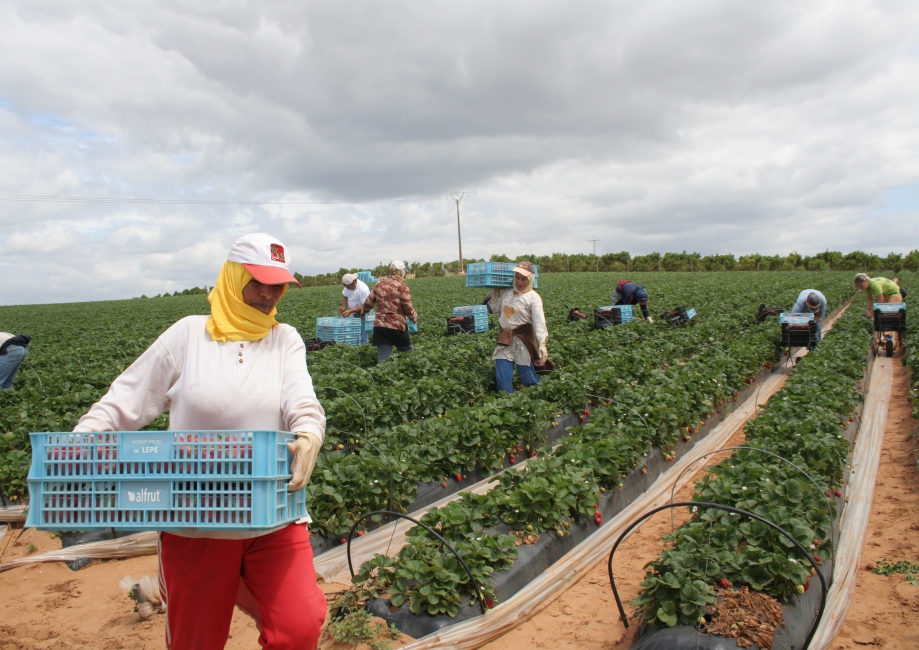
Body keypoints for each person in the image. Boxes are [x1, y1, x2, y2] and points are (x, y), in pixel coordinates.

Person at [72, 233, 327, 650]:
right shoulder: (189, 335)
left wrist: (310, 432)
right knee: (196, 640)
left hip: (272, 514)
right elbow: (124, 400)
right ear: (232, 277)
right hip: (196, 519)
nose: (267, 295)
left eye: (277, 285)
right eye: (256, 282)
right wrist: (79, 443)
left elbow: (302, 399)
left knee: (299, 627)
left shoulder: (285, 339)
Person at [487, 261, 548, 393]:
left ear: (531, 279)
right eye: (518, 278)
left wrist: (542, 343)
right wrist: (496, 292)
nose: (520, 282)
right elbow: (494, 308)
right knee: (503, 377)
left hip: (523, 341)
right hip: (505, 339)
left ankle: (536, 397)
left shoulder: (533, 298)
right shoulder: (507, 293)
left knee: (527, 378)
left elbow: (539, 322)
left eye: (524, 279)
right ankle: (507, 399)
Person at [350, 260, 417, 363]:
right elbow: (408, 308)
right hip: (397, 326)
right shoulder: (402, 286)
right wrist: (414, 317)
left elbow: (368, 303)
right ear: (401, 272)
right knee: (408, 356)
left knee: (383, 360)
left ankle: (382, 373)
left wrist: (363, 314)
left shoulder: (379, 284)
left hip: (380, 326)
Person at [339, 273, 371, 345]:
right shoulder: (348, 285)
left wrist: (351, 311)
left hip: (363, 313)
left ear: (353, 283)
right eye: (345, 286)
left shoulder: (363, 290)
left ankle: (364, 346)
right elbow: (345, 297)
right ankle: (356, 344)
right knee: (355, 331)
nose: (347, 288)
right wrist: (344, 307)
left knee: (363, 331)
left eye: (348, 287)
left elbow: (366, 306)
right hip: (354, 312)